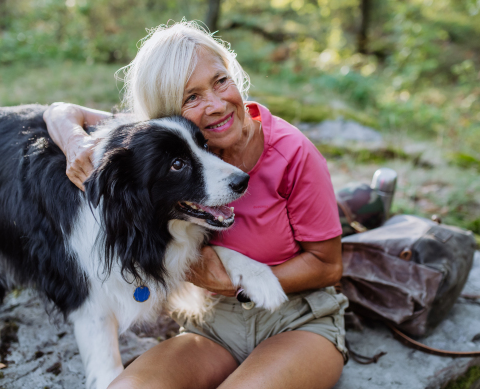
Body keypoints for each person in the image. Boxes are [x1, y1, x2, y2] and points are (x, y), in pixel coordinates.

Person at [43, 21, 348, 389]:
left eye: (221, 81)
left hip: (299, 319)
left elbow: (329, 266)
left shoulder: (293, 152)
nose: (217, 105)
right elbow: (60, 111)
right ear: (169, 112)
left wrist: (240, 281)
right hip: (212, 325)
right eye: (192, 97)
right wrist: (74, 143)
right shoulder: (167, 144)